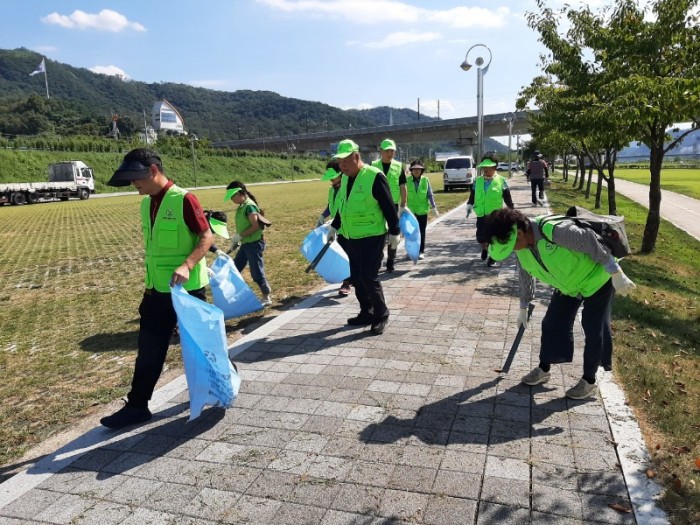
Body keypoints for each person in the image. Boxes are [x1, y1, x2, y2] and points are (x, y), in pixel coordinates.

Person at [101, 148, 214, 429]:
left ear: (152, 171)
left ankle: (221, 377)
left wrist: (188, 264)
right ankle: (138, 406)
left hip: (187, 291)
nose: (133, 185)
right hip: (155, 292)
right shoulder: (145, 204)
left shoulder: (184, 199)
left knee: (199, 347)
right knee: (149, 349)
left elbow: (206, 235)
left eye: (136, 178)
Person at [485, 208, 636, 399]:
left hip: (598, 278)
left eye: (512, 245)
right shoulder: (521, 247)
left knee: (593, 327)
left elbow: (593, 244)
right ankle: (544, 369)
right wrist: (523, 307)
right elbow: (525, 275)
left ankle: (589, 380)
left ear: (520, 232)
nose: (514, 249)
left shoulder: (554, 230)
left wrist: (616, 273)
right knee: (552, 323)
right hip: (569, 286)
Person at [331, 139, 400, 335]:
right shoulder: (344, 178)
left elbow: (388, 206)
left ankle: (381, 314)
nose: (342, 166)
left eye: (345, 162)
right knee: (357, 278)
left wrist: (395, 231)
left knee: (369, 277)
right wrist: (334, 226)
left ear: (356, 156)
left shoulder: (374, 176)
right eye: (340, 163)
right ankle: (366, 312)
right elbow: (342, 206)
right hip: (352, 236)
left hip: (373, 235)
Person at [224, 181, 272, 307]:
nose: (232, 200)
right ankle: (234, 295)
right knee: (235, 267)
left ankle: (266, 295)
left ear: (240, 193)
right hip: (246, 243)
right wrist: (237, 240)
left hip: (254, 243)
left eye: (233, 196)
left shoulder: (249, 206)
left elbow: (255, 226)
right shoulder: (241, 206)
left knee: (256, 271)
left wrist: (239, 236)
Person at [466, 153, 514, 267]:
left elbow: (507, 198)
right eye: (484, 167)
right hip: (481, 214)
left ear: (494, 167)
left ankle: (492, 257)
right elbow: (472, 195)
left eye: (488, 167)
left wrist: (512, 210)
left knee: (494, 237)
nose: (485, 169)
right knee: (481, 236)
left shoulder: (501, 181)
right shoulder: (477, 181)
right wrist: (469, 204)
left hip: (495, 216)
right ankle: (484, 249)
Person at [316, 159, 352, 296]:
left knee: (349, 255)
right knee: (343, 255)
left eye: (333, 177)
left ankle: (347, 283)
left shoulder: (348, 187)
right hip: (338, 229)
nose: (331, 181)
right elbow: (331, 206)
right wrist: (322, 216)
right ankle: (348, 280)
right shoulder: (332, 190)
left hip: (349, 228)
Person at [371, 138, 407, 272]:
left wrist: (404, 204)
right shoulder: (373, 165)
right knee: (379, 233)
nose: (389, 153)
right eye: (387, 150)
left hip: (393, 205)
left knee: (394, 233)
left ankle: (391, 260)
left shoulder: (398, 166)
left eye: (392, 151)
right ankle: (378, 259)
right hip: (376, 205)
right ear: (381, 151)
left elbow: (403, 185)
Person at [406, 159, 439, 259]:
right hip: (411, 211)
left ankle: (421, 251)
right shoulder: (407, 181)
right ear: (411, 170)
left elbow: (430, 194)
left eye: (419, 169)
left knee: (421, 231)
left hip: (422, 211)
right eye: (414, 169)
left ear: (422, 171)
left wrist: (434, 207)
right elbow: (403, 195)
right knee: (411, 232)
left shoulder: (425, 180)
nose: (416, 171)